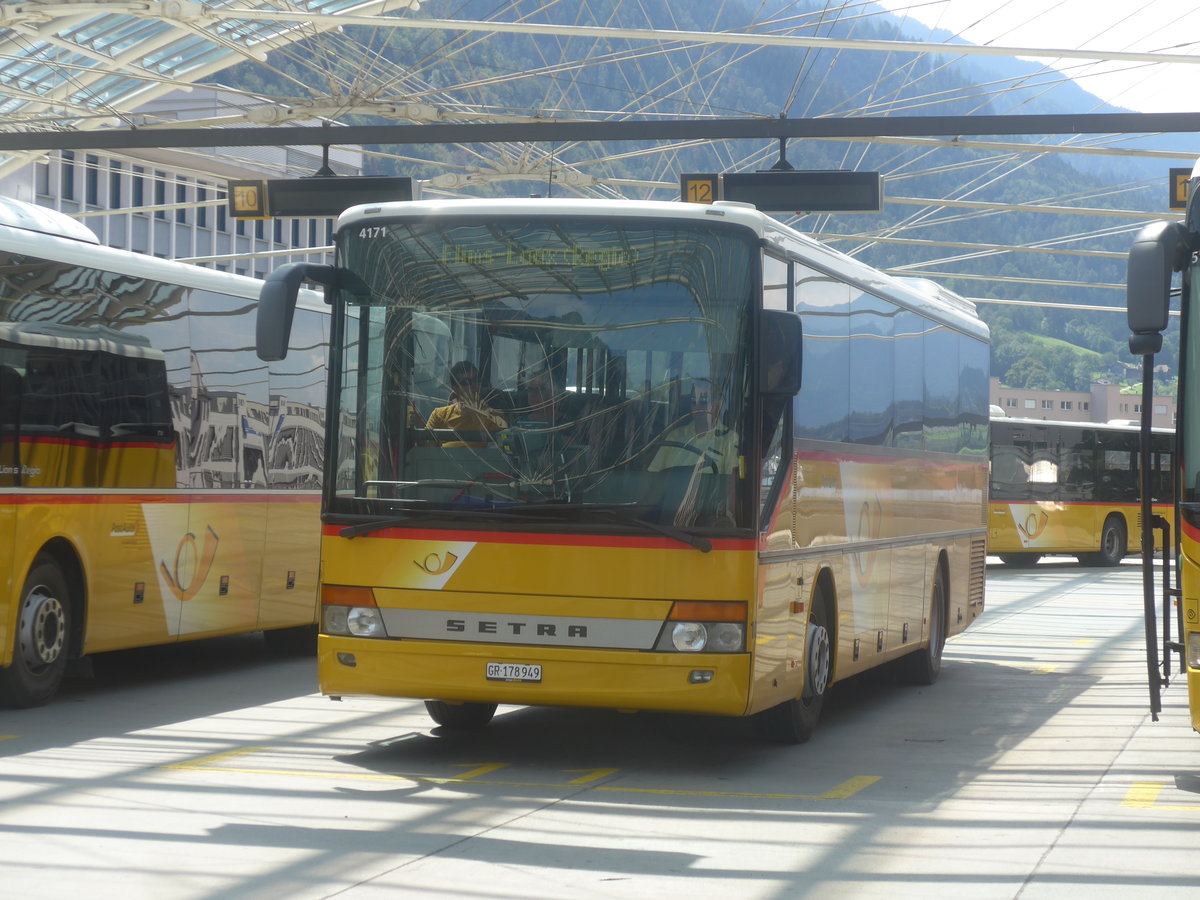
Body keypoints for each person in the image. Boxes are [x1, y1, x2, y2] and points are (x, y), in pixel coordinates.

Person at [648, 379, 734, 473]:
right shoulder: (675, 436)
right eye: (694, 401)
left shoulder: (729, 440)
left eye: (703, 401)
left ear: (718, 404)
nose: (697, 407)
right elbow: (653, 475)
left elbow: (733, 483)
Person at [425, 360, 506, 447]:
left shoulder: (495, 417)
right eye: (466, 382)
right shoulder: (439, 415)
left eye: (476, 380)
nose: (473, 386)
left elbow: (501, 451)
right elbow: (426, 450)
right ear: (455, 388)